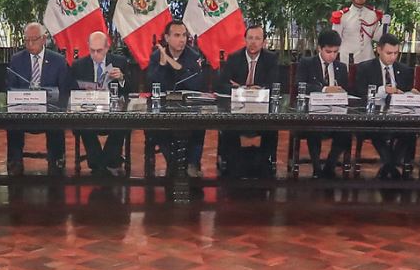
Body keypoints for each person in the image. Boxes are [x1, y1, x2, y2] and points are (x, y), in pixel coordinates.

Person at [215, 23, 280, 178]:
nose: (253, 42)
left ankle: (265, 164)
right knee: (229, 125)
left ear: (264, 42)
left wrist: (261, 89)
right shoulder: (234, 58)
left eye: (257, 38)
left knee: (272, 125)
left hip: (262, 110)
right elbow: (220, 85)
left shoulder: (271, 59)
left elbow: (276, 84)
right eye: (250, 38)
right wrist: (242, 90)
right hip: (237, 110)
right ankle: (232, 166)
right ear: (244, 40)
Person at [146, 20, 207, 177]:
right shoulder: (156, 56)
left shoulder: (194, 56)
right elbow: (151, 84)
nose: (182, 40)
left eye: (184, 35)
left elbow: (197, 84)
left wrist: (172, 64)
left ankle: (192, 163)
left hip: (189, 108)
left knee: (200, 124)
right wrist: (162, 65)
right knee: (158, 126)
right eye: (177, 35)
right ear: (167, 38)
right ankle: (173, 163)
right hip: (164, 109)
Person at [6, 22, 67, 175]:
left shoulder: (58, 60)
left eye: (34, 39)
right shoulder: (16, 59)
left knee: (57, 120)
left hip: (50, 109)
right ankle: (15, 160)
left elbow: (64, 90)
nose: (30, 44)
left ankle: (57, 160)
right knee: (12, 121)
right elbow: (10, 87)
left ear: (44, 39)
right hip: (23, 108)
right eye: (26, 40)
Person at [68, 30, 131, 176]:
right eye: (92, 50)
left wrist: (121, 78)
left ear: (107, 47)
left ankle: (107, 162)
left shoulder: (120, 62)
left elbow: (131, 89)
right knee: (83, 122)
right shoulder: (79, 65)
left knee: (122, 122)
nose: (95, 54)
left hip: (114, 111)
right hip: (89, 110)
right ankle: (98, 164)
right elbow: (72, 90)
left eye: (99, 50)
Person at [351, 33, 414, 179]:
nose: (393, 57)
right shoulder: (365, 68)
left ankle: (389, 166)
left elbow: (408, 91)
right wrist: (383, 90)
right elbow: (360, 93)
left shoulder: (404, 70)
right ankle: (392, 168)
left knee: (410, 131)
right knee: (377, 129)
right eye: (389, 53)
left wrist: (410, 93)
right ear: (379, 50)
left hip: (399, 116)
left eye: (396, 53)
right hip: (373, 117)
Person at [293, 28, 350, 179]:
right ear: (319, 48)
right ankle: (317, 168)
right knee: (314, 129)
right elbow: (299, 85)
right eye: (328, 51)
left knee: (346, 131)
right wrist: (325, 89)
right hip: (313, 113)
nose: (332, 55)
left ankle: (330, 166)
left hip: (337, 114)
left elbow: (347, 90)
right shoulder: (307, 63)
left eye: (335, 52)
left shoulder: (341, 67)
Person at [331, 0, 386, 66]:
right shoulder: (343, 16)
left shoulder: (372, 14)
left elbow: (377, 37)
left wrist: (385, 24)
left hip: (367, 57)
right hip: (348, 58)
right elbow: (335, 39)